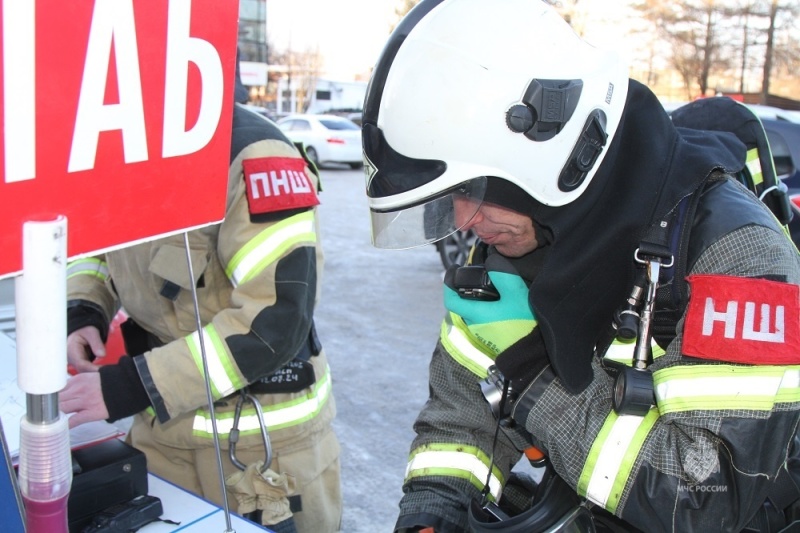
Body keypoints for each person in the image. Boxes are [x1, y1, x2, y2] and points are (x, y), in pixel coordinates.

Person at [360, 1, 800, 531]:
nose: (465, 223)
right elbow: (461, 419)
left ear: (546, 159)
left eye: (471, 193)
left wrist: (526, 365)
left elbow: (701, 500)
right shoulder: (514, 237)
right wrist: (434, 510)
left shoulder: (738, 256)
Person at [58, 56, 342, 533]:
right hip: (161, 433)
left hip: (260, 449)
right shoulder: (117, 145)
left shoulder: (251, 154)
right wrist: (85, 306)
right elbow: (98, 250)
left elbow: (275, 320)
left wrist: (130, 386)